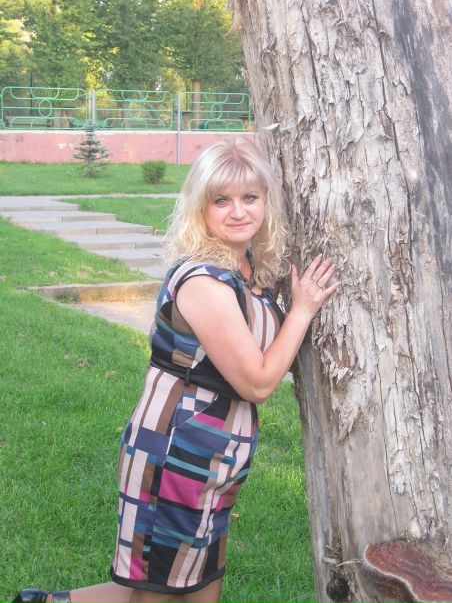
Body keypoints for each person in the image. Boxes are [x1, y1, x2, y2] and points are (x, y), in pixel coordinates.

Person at [13, 138, 340, 603]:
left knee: (195, 584)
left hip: (217, 457)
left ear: (266, 201)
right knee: (159, 590)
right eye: (221, 200)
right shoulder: (204, 279)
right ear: (200, 208)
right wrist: (303, 310)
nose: (238, 211)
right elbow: (258, 382)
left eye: (250, 197)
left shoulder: (248, 268)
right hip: (176, 453)